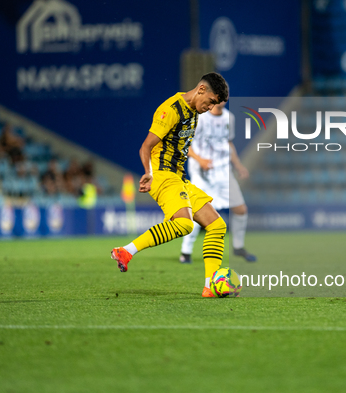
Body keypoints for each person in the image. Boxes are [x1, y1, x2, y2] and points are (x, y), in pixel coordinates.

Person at [110, 72, 229, 298]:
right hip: (162, 175)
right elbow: (145, 147)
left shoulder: (194, 111)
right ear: (201, 90)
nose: (211, 107)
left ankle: (210, 287)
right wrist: (148, 173)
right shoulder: (171, 110)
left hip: (178, 178)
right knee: (185, 225)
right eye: (211, 101)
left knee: (216, 225)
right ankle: (126, 251)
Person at [179, 100, 256, 263]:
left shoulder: (230, 118)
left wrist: (239, 166)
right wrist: (200, 160)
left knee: (241, 209)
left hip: (223, 171)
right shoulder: (199, 118)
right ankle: (185, 252)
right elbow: (186, 144)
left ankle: (238, 247)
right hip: (202, 173)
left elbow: (228, 144)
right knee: (197, 212)